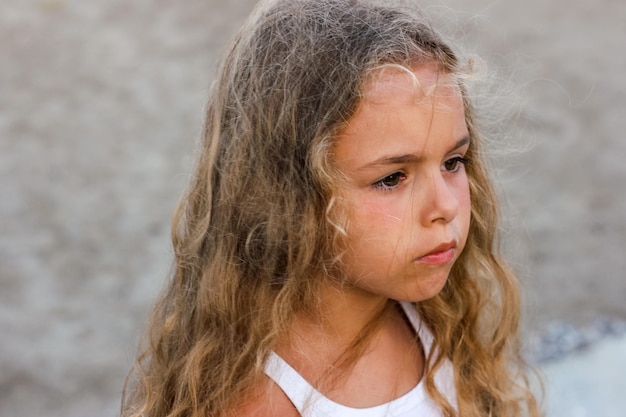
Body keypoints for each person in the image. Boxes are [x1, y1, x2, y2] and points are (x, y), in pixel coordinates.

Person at [121, 0, 541, 416]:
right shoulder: (262, 403)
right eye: (392, 178)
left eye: (453, 163)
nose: (446, 205)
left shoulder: (437, 317)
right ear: (288, 195)